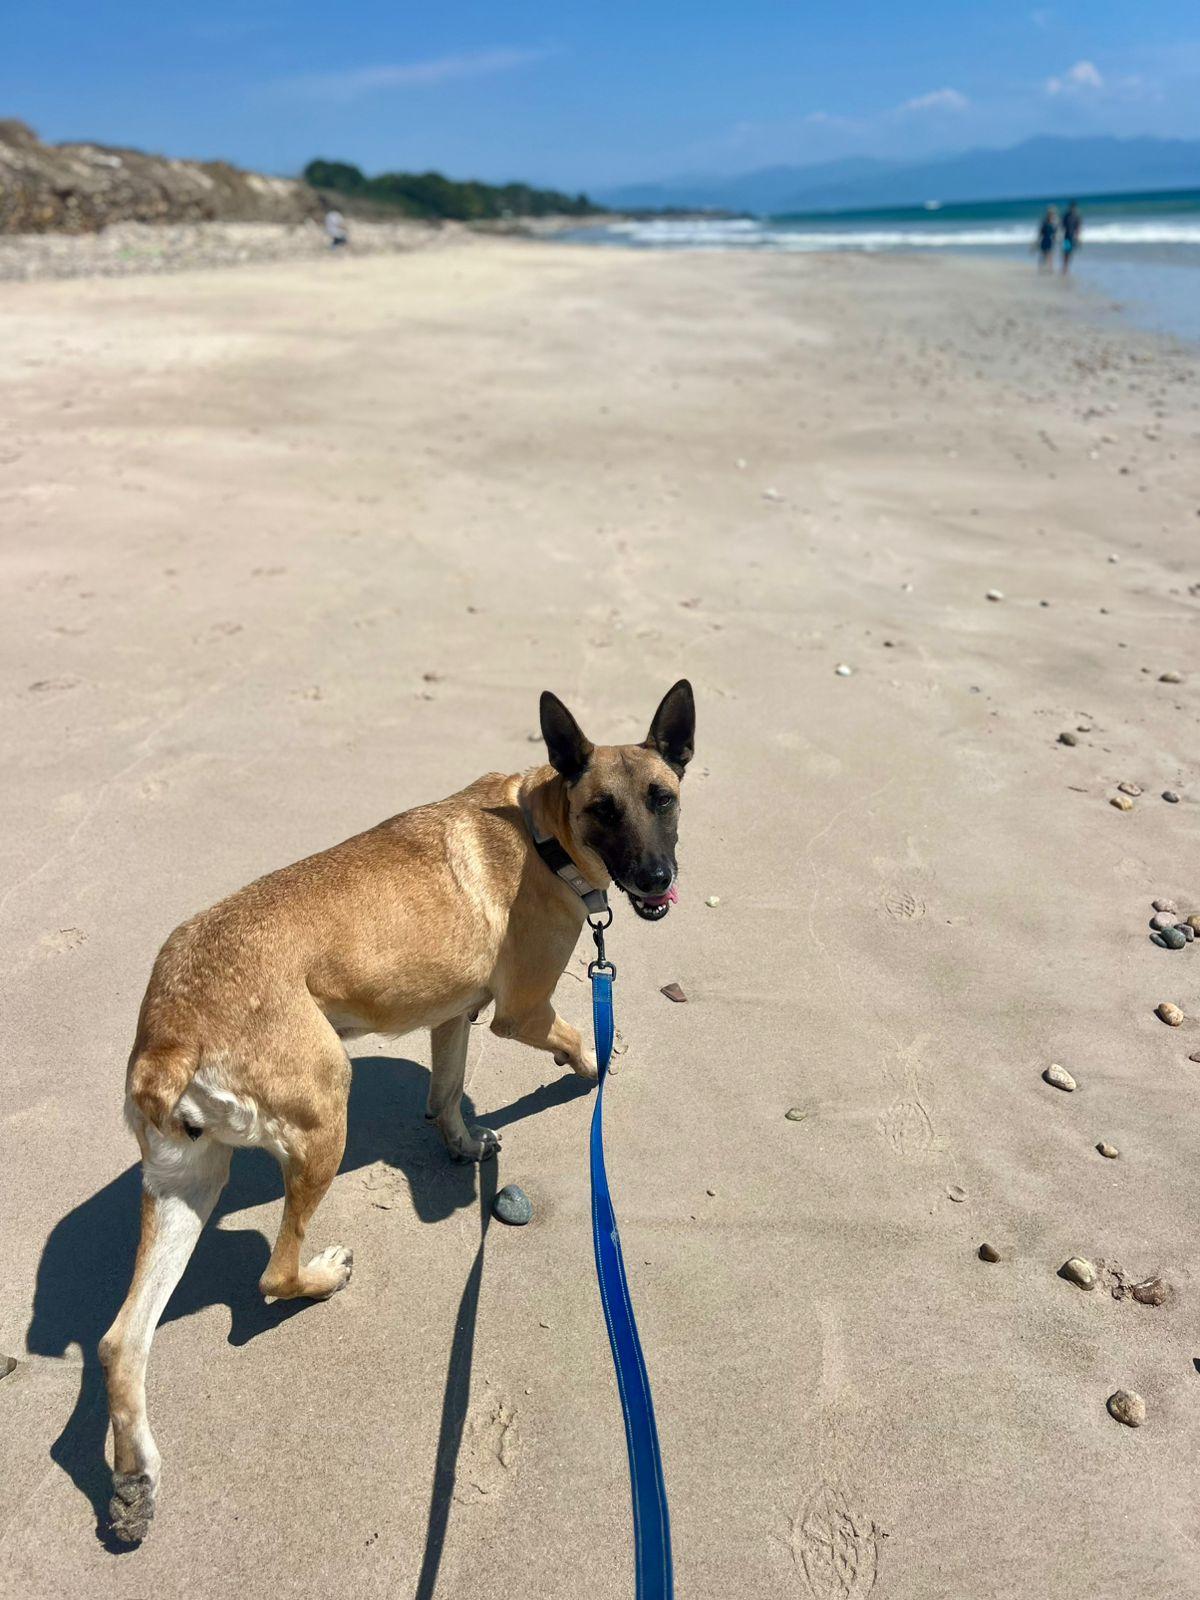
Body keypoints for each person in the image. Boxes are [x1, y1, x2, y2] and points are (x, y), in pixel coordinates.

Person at [1034, 206, 1058, 272]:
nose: (1051, 214)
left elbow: (1055, 232)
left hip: (1050, 240)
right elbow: (1040, 232)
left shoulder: (1054, 222)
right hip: (1044, 239)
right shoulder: (1044, 222)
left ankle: (1050, 268)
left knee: (1050, 254)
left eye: (1052, 213)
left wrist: (1056, 238)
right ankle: (1041, 268)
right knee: (1043, 254)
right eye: (1050, 213)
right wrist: (1038, 241)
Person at [1061, 201, 1081, 273]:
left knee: (1070, 253)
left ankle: (1066, 266)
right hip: (1066, 237)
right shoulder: (1066, 216)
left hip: (1073, 237)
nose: (1073, 209)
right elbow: (1062, 226)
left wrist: (1078, 238)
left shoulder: (1076, 216)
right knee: (1065, 252)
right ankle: (1065, 267)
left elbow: (1078, 228)